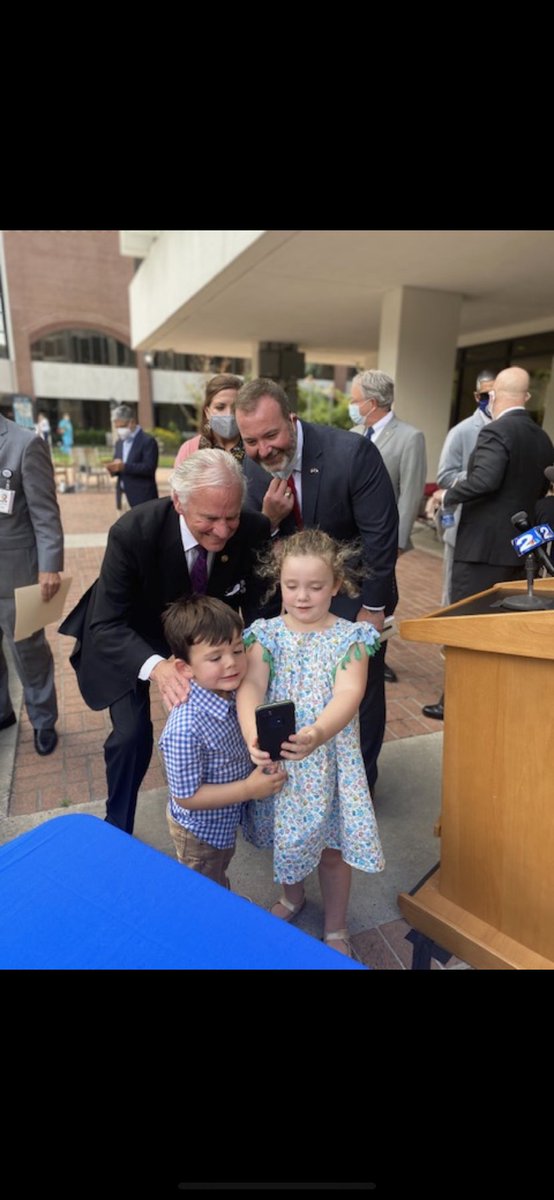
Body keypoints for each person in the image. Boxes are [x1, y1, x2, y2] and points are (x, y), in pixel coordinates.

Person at [59, 449, 272, 834]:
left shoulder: (253, 530)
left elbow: (259, 613)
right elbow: (106, 624)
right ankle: (116, 826)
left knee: (236, 710)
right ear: (178, 501)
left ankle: (235, 804)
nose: (223, 532)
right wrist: (157, 667)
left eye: (231, 517)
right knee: (131, 735)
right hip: (131, 636)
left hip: (204, 641)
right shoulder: (133, 531)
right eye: (209, 519)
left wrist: (249, 666)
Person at [235, 376, 398, 795]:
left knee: (358, 694)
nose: (263, 450)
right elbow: (248, 547)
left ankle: (359, 787)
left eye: (271, 435)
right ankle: (298, 784)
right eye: (251, 441)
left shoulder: (351, 452)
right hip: (286, 599)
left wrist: (374, 609)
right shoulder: (249, 472)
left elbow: (380, 535)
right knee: (291, 690)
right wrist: (268, 520)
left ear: (291, 419)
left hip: (351, 595)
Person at [236, 529, 385, 958]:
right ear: (278, 582)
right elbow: (252, 685)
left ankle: (336, 926)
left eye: (316, 587)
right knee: (288, 835)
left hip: (328, 758)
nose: (302, 597)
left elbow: (348, 693)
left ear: (336, 586)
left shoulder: (351, 638)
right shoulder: (264, 634)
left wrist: (318, 733)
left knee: (332, 849)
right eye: (292, 585)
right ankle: (292, 897)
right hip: (281, 757)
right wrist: (251, 732)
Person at [159, 595, 286, 888]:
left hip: (223, 822)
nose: (232, 664)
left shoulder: (228, 692)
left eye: (238, 650)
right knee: (203, 888)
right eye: (216, 657)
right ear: (184, 668)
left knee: (219, 872)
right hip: (200, 833)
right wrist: (248, 788)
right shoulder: (184, 728)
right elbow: (186, 797)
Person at [436, 367, 553, 601]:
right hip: (520, 550)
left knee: (467, 621)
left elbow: (484, 480)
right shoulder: (543, 438)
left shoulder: (495, 431)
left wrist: (447, 495)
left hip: (482, 551)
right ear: (526, 397)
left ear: (493, 396)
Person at [422, 369, 495, 720]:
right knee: (456, 605)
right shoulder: (463, 432)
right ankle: (450, 690)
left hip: (494, 539)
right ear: (477, 396)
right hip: (462, 532)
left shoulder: (513, 430)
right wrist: (486, 472)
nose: (491, 400)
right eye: (486, 394)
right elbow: (446, 477)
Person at [349, 369, 427, 683]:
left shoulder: (410, 437)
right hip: (351, 537)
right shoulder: (354, 433)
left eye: (354, 400)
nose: (351, 405)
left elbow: (411, 492)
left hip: (383, 538)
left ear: (371, 401)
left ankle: (378, 659)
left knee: (383, 596)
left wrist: (398, 541)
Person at [0, 412, 63, 755]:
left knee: (29, 652)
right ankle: (3, 712)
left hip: (17, 575)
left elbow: (45, 514)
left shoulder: (25, 443)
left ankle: (43, 721)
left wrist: (49, 566)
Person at [174, 373, 244, 465]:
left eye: (235, 407)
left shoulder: (254, 448)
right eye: (220, 407)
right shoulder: (190, 449)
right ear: (207, 412)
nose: (229, 414)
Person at [105, 404, 159, 509]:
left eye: (121, 426)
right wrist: (113, 468)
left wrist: (124, 466)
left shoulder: (147, 441)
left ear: (132, 422)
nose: (119, 430)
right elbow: (118, 465)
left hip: (142, 498)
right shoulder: (119, 443)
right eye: (117, 427)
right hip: (123, 496)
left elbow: (149, 468)